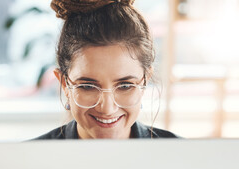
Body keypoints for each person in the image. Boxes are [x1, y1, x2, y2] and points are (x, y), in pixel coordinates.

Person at [34, 0, 178, 139]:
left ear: (145, 81)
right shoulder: (28, 159)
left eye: (125, 86)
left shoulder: (182, 156)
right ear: (64, 84)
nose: (107, 109)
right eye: (87, 86)